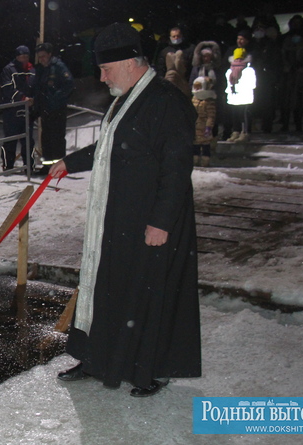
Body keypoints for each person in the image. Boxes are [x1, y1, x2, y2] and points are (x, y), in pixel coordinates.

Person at [49, 23, 201, 397]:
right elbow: (112, 146)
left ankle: (153, 368)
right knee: (108, 289)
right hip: (117, 217)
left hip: (151, 220)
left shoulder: (165, 101)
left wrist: (161, 221)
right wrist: (70, 162)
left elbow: (177, 167)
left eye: (105, 69)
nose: (101, 78)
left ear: (131, 64)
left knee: (149, 293)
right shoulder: (127, 97)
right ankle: (97, 358)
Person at [33, 43, 74, 176]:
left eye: (43, 56)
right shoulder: (41, 69)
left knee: (56, 139)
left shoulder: (58, 67)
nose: (41, 59)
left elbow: (69, 85)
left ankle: (59, 168)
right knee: (46, 139)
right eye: (39, 57)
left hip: (57, 110)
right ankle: (47, 166)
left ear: (50, 55)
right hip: (45, 110)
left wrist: (55, 99)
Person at [0, 45, 36, 171]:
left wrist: (33, 99)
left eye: (26, 56)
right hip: (12, 110)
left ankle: (29, 166)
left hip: (28, 110)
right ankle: (8, 165)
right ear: (17, 57)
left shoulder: (32, 70)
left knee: (28, 141)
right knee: (10, 140)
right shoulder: (9, 69)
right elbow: (6, 88)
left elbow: (36, 87)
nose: (24, 59)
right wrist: (22, 97)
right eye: (21, 56)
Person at [224, 48, 256, 142]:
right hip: (234, 97)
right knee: (235, 115)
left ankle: (245, 132)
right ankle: (236, 131)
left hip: (245, 97)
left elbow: (252, 84)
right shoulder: (230, 70)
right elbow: (228, 83)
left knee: (244, 115)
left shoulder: (249, 70)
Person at [192, 76, 217, 166]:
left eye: (199, 87)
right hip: (195, 127)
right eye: (196, 86)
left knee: (205, 145)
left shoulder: (209, 102)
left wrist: (208, 127)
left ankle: (205, 160)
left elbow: (211, 115)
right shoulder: (194, 99)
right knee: (196, 145)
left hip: (204, 127)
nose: (197, 89)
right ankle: (195, 160)